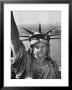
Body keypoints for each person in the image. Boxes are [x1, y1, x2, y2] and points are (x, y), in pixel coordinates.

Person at [11, 11, 61, 79]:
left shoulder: (53, 66)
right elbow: (14, 41)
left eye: (43, 46)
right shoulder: (25, 61)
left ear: (47, 48)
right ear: (32, 49)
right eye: (37, 47)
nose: (40, 50)